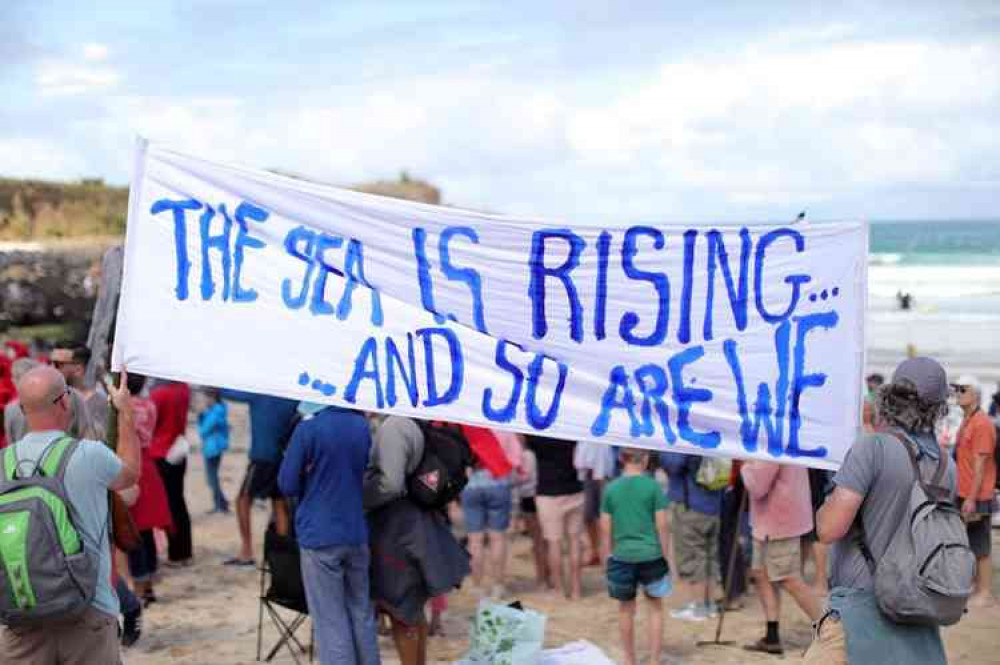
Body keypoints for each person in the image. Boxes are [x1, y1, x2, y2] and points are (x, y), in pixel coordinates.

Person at [805, 357, 956, 664]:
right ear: (940, 407)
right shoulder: (946, 465)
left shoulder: (871, 447)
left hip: (859, 615)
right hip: (916, 610)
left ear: (891, 397)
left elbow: (829, 529)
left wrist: (829, 495)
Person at [0, 365, 140, 665]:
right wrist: (126, 413)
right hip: (87, 607)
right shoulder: (88, 454)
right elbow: (130, 474)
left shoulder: (1, 462)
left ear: (22, 409)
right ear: (65, 402)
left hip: (21, 610)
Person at [278, 403, 380, 665]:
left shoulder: (309, 428)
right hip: (355, 530)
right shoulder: (362, 426)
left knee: (330, 620)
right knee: (361, 614)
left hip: (319, 532)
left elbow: (286, 483)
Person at [364, 415, 470, 665]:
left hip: (398, 528)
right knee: (412, 608)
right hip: (413, 524)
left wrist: (359, 498)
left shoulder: (395, 426)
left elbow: (391, 484)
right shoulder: (412, 422)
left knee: (401, 610)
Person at [741, 461, 822, 655]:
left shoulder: (772, 440)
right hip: (769, 520)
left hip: (780, 520)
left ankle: (831, 631)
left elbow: (757, 486)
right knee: (762, 574)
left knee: (788, 579)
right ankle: (772, 636)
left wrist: (744, 465)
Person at [600, 448, 672, 665]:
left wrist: (607, 555)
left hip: (621, 555)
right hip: (651, 554)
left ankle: (629, 659)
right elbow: (662, 524)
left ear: (621, 459)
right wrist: (665, 554)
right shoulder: (653, 487)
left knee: (625, 609)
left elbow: (605, 528)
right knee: (655, 607)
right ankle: (654, 660)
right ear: (646, 459)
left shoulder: (611, 489)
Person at [219, 389, 298, 565]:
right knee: (278, 503)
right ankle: (283, 555)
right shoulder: (291, 397)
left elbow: (229, 393)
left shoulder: (260, 394)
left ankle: (246, 551)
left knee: (242, 500)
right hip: (283, 458)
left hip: (262, 457)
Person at [124, 373, 173, 606]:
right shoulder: (149, 404)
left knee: (133, 531)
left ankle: (140, 587)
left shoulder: (125, 408)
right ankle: (149, 583)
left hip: (131, 466)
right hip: (149, 465)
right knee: (147, 530)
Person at [660, 452, 723, 621]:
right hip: (714, 505)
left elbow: (673, 464)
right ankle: (709, 604)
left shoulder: (688, 438)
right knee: (710, 557)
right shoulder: (717, 435)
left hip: (691, 506)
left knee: (693, 558)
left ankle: (699, 607)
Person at [951, 374, 997, 607]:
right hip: (965, 491)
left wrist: (971, 497)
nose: (958, 393)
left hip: (977, 493)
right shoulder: (967, 421)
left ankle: (985, 592)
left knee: (980, 544)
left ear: (976, 394)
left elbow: (981, 464)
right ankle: (975, 588)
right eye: (956, 389)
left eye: (963, 389)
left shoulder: (982, 424)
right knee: (968, 542)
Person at [459, 425, 515, 598]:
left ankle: (477, 586)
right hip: (497, 481)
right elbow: (515, 457)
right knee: (497, 537)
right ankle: (498, 585)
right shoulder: (502, 428)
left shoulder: (464, 428)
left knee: (475, 540)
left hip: (471, 483)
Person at [526, 435, 585, 599]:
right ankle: (576, 589)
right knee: (575, 541)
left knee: (554, 542)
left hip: (548, 492)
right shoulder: (570, 431)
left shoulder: (538, 436)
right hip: (574, 488)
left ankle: (558, 589)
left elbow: (522, 440)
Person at [150, 379, 193, 566]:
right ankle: (183, 552)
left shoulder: (158, 395)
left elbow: (152, 423)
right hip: (177, 450)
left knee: (166, 507)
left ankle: (174, 553)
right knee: (179, 503)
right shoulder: (183, 389)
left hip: (160, 453)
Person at [52, 345, 107, 440]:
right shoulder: (47, 400)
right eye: (50, 363)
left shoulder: (100, 403)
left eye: (57, 365)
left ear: (78, 370)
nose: (51, 368)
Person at [575, 440, 616, 566]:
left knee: (606, 516)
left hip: (604, 474)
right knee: (588, 516)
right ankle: (595, 551)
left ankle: (609, 552)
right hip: (587, 475)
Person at [197, 389, 230, 514]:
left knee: (212, 479)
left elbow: (204, 430)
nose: (205, 401)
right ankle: (221, 503)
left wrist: (201, 418)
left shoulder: (215, 412)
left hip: (213, 448)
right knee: (212, 478)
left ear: (212, 398)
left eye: (206, 398)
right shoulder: (218, 410)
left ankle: (220, 504)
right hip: (214, 447)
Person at [3, 357, 39, 446]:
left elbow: (10, 439)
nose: (11, 380)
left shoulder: (11, 408)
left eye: (14, 377)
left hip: (19, 455)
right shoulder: (49, 402)